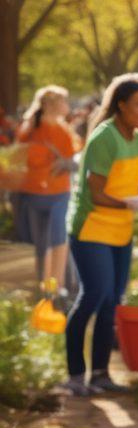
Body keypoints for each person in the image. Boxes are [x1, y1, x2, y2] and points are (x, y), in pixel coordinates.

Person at [62, 73, 138, 396]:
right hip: (92, 226)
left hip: (121, 228)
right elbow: (96, 194)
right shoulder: (104, 137)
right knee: (94, 296)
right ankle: (76, 375)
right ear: (121, 105)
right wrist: (133, 203)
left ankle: (101, 375)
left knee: (112, 302)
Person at [16, 86, 79, 285]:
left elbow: (21, 156)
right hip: (57, 190)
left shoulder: (28, 128)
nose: (67, 105)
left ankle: (44, 288)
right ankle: (57, 289)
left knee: (42, 243)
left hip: (34, 192)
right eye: (64, 101)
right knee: (58, 240)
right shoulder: (61, 130)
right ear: (53, 105)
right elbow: (73, 158)